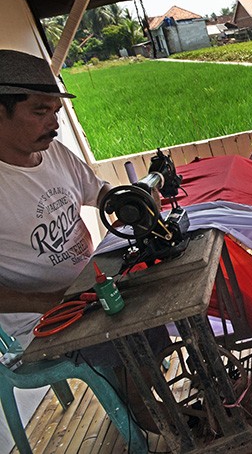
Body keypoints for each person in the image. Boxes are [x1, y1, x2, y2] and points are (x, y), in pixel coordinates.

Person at [0, 49, 167, 432]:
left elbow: (100, 192)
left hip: (92, 287)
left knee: (157, 307)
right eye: (40, 111)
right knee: (124, 343)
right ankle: (151, 417)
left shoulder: (54, 153)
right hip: (44, 319)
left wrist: (130, 202)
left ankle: (152, 395)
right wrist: (52, 300)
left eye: (55, 111)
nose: (54, 123)